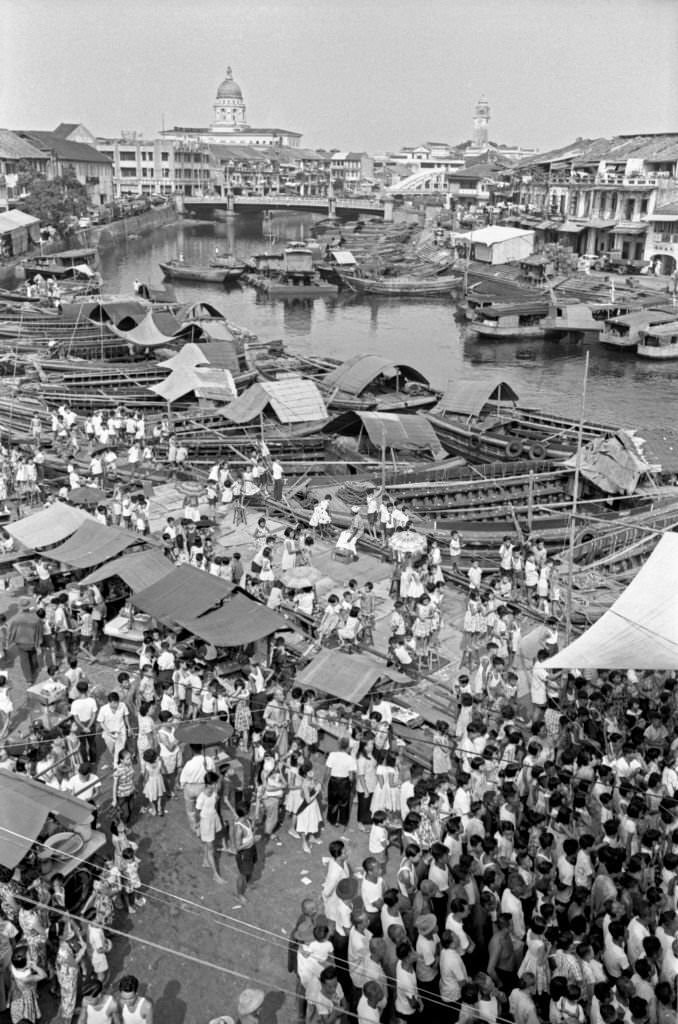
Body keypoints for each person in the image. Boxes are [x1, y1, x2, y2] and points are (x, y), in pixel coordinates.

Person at [196, 770, 225, 884]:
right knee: (211, 849)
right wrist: (199, 825)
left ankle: (205, 861)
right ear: (211, 784)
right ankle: (215, 875)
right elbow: (198, 811)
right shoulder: (201, 797)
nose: (217, 784)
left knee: (209, 844)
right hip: (206, 822)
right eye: (215, 783)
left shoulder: (214, 791)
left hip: (213, 818)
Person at [7, 597, 43, 684]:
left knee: (24, 660)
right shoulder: (36, 619)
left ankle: (29, 679)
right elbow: (39, 633)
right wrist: (38, 644)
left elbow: (11, 632)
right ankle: (34, 669)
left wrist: (11, 641)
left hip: (20, 643)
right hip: (32, 643)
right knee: (33, 657)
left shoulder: (16, 619)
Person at [323, 737, 356, 828]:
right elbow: (351, 777)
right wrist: (351, 785)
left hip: (333, 781)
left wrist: (324, 783)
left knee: (332, 802)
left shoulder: (332, 755)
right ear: (348, 747)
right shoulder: (350, 759)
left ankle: (332, 820)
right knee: (344, 803)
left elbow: (327, 771)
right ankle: (343, 821)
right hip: (344, 782)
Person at [233, 802, 258, 903]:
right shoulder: (239, 828)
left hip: (251, 849)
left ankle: (248, 883)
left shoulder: (246, 820)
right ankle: (239, 894)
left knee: (250, 868)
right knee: (242, 875)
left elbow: (252, 826)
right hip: (244, 853)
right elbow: (238, 847)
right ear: (246, 812)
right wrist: (251, 841)